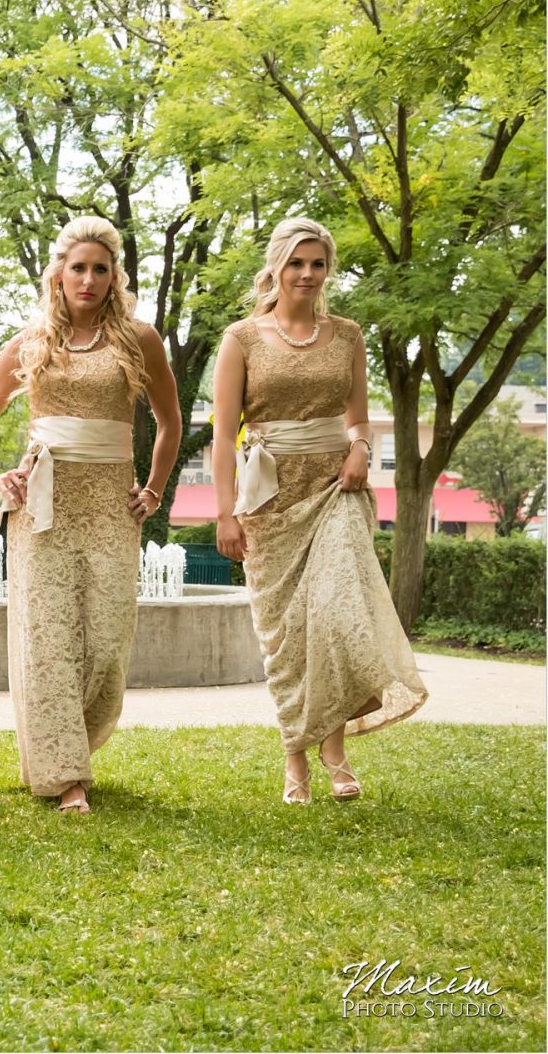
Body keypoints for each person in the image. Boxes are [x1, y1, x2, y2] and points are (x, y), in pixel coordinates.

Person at [0, 217, 181, 815]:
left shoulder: (140, 340)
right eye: (78, 268)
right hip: (42, 507)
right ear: (58, 275)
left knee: (108, 642)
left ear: (115, 277)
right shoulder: (29, 343)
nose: (88, 279)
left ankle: (65, 750)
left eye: (100, 269)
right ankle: (66, 777)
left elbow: (169, 422)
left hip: (111, 503)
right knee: (48, 639)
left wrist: (156, 488)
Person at [211, 217, 425, 804]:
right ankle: (295, 759)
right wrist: (224, 512)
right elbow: (224, 431)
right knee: (288, 634)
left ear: (328, 271)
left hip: (336, 489)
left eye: (318, 264)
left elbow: (359, 416)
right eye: (297, 262)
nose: (307, 274)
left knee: (332, 618)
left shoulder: (349, 335)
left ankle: (335, 752)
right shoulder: (242, 338)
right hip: (270, 498)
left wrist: (361, 449)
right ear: (277, 266)